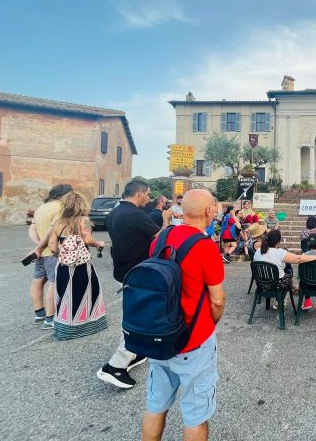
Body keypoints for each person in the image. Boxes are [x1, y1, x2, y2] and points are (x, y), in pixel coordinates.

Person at [141, 189, 226, 441]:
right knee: (195, 415)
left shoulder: (161, 237)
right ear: (210, 211)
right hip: (192, 339)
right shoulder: (204, 246)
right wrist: (210, 324)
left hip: (159, 334)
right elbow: (218, 300)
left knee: (156, 405)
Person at [97, 180, 172, 389]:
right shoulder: (135, 214)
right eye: (147, 194)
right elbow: (161, 236)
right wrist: (165, 220)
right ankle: (115, 366)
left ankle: (135, 352)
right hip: (139, 272)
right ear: (139, 193)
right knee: (141, 318)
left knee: (135, 313)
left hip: (124, 270)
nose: (148, 198)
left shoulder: (114, 213)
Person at [34, 192, 107, 340]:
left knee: (64, 294)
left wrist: (62, 255)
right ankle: (86, 325)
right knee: (86, 292)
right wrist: (99, 244)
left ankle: (66, 328)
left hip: (63, 265)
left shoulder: (58, 223)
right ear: (81, 205)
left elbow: (53, 246)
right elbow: (87, 239)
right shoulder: (83, 220)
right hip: (81, 265)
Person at [27, 183, 72, 328]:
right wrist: (42, 246)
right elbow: (52, 230)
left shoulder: (41, 208)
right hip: (53, 251)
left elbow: (32, 229)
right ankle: (50, 319)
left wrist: (38, 246)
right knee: (54, 283)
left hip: (40, 253)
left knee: (37, 281)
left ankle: (39, 314)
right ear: (65, 194)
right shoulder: (61, 207)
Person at [253, 230, 316, 301]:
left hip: (261, 285)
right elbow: (298, 259)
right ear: (278, 242)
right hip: (277, 285)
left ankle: (281, 298)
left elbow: (255, 246)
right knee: (288, 272)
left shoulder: (258, 251)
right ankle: (282, 298)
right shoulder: (279, 252)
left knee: (285, 268)